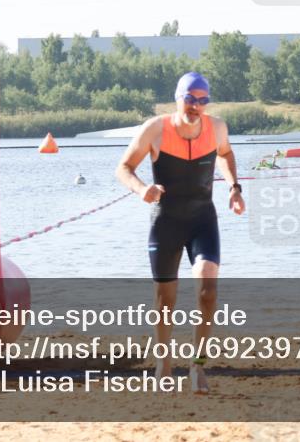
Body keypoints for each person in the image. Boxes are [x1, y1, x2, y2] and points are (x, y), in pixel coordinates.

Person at [116, 72, 245, 394]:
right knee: (166, 301)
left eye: (203, 100)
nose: (196, 106)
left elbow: (226, 154)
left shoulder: (217, 128)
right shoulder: (155, 129)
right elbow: (124, 168)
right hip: (166, 222)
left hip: (203, 218)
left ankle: (198, 367)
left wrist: (234, 188)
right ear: (178, 98)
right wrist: (142, 189)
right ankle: (164, 362)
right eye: (190, 98)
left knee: (207, 289)